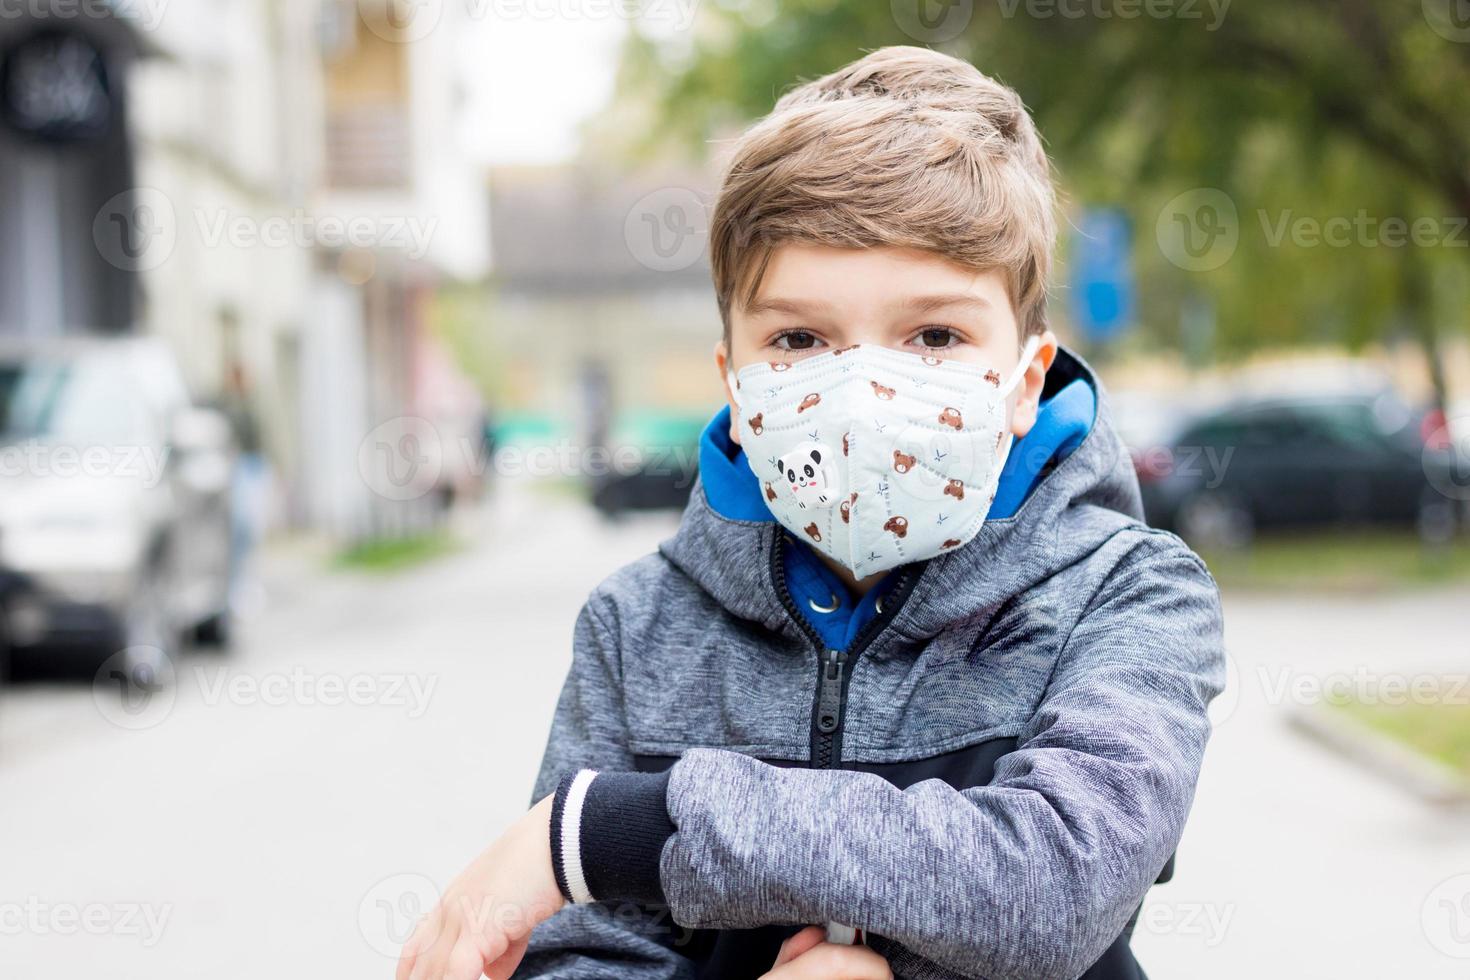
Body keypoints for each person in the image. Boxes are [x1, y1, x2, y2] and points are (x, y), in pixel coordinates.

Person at [396, 46, 1224, 980]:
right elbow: (584, 957)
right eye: (798, 338)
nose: (865, 390)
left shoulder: (1131, 596)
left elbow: (1053, 887)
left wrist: (599, 834)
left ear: (1025, 380)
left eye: (936, 335)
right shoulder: (637, 631)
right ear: (735, 381)